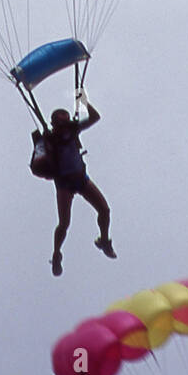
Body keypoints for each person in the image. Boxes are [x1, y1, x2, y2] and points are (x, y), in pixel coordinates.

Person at [49, 88, 115, 276]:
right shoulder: (50, 138)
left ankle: (104, 240)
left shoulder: (73, 130)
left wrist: (83, 101)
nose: (65, 118)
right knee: (64, 223)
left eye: (66, 115)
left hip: (81, 179)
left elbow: (95, 117)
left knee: (104, 209)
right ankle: (56, 254)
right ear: (54, 121)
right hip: (64, 184)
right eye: (61, 116)